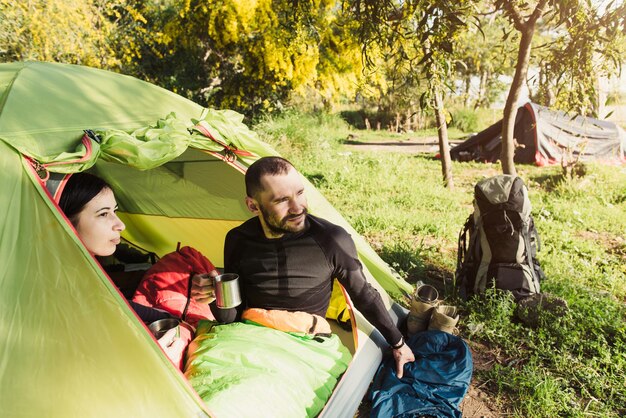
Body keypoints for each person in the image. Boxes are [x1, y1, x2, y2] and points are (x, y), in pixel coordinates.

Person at [203, 156, 415, 378]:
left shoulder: (330, 239)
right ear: (252, 205)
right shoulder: (238, 240)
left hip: (305, 346)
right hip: (249, 339)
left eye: (300, 193)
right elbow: (231, 318)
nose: (297, 208)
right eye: (282, 200)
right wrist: (213, 297)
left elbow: (363, 294)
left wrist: (398, 344)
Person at [58, 172, 203, 365]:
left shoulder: (84, 270)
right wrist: (146, 360)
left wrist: (171, 318)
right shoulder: (55, 286)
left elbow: (116, 303)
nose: (120, 225)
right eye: (103, 214)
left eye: (115, 211)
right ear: (65, 221)